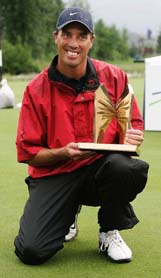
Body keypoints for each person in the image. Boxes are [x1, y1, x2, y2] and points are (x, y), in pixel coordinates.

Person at [14, 7, 149, 265]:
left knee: (128, 168)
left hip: (101, 168)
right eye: (67, 34)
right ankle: (67, 212)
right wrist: (63, 153)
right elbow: (28, 151)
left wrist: (134, 136)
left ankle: (109, 230)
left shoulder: (115, 77)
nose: (73, 43)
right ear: (56, 37)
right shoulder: (36, 90)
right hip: (56, 172)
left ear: (91, 41)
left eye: (81, 35)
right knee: (31, 251)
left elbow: (134, 122)